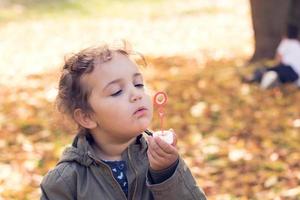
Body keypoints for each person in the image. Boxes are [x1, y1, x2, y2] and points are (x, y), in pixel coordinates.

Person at [40, 43, 207, 200]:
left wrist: (167, 173)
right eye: (117, 91)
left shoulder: (160, 158)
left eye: (139, 84)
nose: (136, 94)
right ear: (87, 117)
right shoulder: (66, 182)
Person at [243, 24, 300, 89]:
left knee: (266, 70)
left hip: (288, 69)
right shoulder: (298, 45)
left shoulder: (285, 43)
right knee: (277, 74)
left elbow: (278, 59)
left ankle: (253, 78)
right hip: (296, 76)